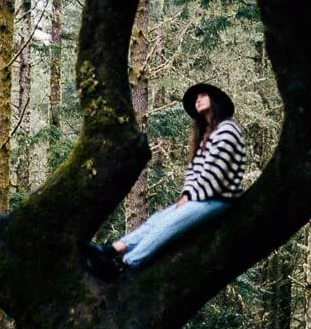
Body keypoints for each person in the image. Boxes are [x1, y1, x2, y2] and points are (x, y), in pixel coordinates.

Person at [86, 82, 246, 278]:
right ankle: (110, 250)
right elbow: (194, 173)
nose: (198, 100)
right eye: (196, 98)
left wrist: (191, 197)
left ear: (216, 101)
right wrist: (187, 194)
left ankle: (124, 265)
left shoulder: (227, 129)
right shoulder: (204, 135)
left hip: (220, 199)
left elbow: (217, 173)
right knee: (157, 220)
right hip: (201, 197)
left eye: (203, 96)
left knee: (169, 225)